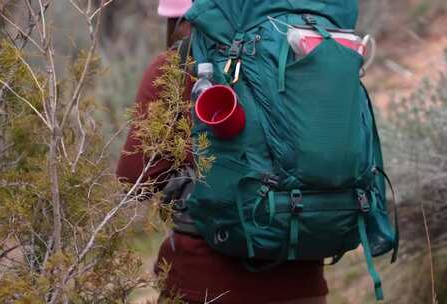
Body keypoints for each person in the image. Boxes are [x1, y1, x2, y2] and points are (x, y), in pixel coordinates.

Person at [116, 1, 328, 303]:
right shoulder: (298, 58)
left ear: (175, 20)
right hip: (301, 279)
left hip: (204, 281)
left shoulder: (173, 68)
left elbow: (134, 179)